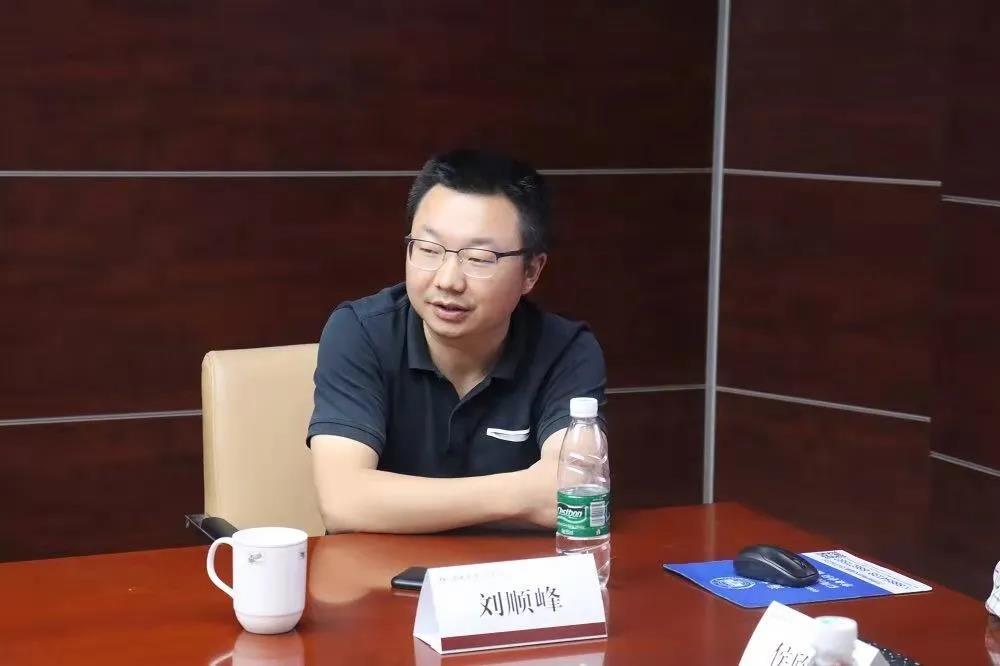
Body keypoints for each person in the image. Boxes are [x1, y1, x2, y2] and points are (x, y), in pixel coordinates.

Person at [308, 148, 607, 534]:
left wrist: (393, 502)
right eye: (428, 250)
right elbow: (344, 502)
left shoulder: (567, 351)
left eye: (479, 258)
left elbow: (570, 498)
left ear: (531, 271)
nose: (448, 280)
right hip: (384, 570)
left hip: (512, 572)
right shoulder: (360, 332)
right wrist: (522, 493)